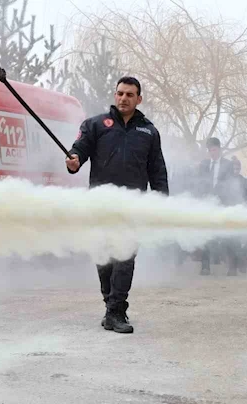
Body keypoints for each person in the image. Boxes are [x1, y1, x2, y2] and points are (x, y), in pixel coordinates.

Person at [66, 76, 168, 334]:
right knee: (104, 258)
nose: (124, 98)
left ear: (139, 99)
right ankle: (110, 306)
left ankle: (116, 310)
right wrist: (74, 161)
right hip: (101, 203)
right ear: (115, 95)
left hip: (132, 206)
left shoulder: (148, 131)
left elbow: (157, 169)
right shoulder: (96, 125)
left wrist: (161, 200)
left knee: (124, 256)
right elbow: (78, 150)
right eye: (120, 93)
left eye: (129, 95)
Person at [198, 137, 233, 275]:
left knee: (227, 234)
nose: (212, 152)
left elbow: (231, 184)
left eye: (214, 149)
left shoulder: (228, 164)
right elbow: (199, 183)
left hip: (223, 203)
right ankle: (205, 266)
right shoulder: (204, 164)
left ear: (219, 149)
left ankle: (232, 265)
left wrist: (221, 197)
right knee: (206, 234)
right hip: (207, 204)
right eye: (210, 150)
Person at [214, 156, 247, 275]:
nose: (236, 169)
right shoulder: (223, 181)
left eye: (238, 167)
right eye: (234, 167)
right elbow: (218, 194)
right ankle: (232, 265)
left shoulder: (243, 181)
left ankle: (234, 266)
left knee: (236, 241)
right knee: (227, 241)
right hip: (227, 214)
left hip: (239, 214)